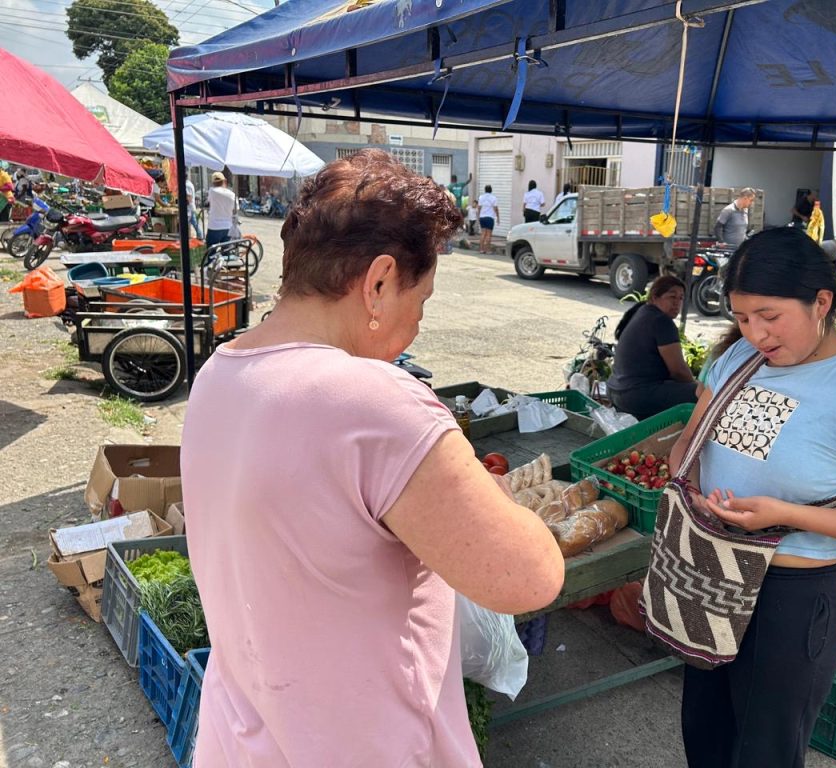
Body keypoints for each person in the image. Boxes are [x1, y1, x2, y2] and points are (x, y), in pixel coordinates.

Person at [180, 149, 564, 767]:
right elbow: (530, 577)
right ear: (379, 282)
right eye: (423, 300)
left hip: (246, 738)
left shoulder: (220, 373)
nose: (416, 325)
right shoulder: (373, 402)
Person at [668, 227, 836, 768]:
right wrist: (689, 488)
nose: (756, 333)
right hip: (711, 573)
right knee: (705, 732)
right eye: (742, 318)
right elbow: (687, 446)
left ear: (822, 302)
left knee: (764, 751)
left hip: (789, 594)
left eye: (770, 316)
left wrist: (785, 515)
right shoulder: (737, 359)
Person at [606, 275, 698, 421]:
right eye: (672, 297)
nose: (677, 303)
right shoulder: (661, 321)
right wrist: (696, 385)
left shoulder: (642, 311)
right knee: (705, 395)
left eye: (681, 298)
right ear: (655, 297)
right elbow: (679, 371)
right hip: (634, 396)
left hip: (614, 390)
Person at [206, 171, 237, 248]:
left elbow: (208, 202)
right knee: (226, 253)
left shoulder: (212, 191)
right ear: (224, 181)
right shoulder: (232, 194)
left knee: (211, 253)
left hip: (214, 226)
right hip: (227, 227)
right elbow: (235, 210)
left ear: (213, 182)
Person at [478, 184, 499, 254]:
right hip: (489, 217)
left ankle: (481, 249)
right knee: (489, 234)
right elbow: (496, 209)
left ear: (485, 190)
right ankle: (488, 250)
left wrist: (478, 216)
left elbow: (479, 208)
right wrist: (498, 217)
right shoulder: (493, 198)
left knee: (483, 233)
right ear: (491, 190)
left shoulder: (481, 197)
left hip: (482, 217)